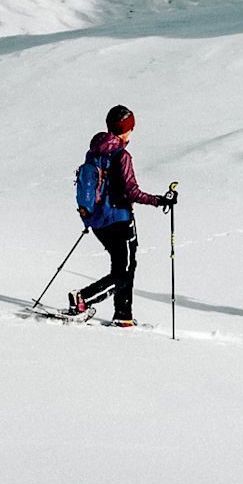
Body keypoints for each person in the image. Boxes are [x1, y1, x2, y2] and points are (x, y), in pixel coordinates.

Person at [66, 104, 176, 328]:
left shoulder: (94, 152)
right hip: (119, 219)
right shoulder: (121, 155)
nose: (132, 131)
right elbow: (131, 192)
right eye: (131, 127)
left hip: (97, 220)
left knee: (122, 266)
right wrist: (160, 200)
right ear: (125, 128)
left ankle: (123, 315)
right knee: (124, 271)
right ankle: (83, 299)